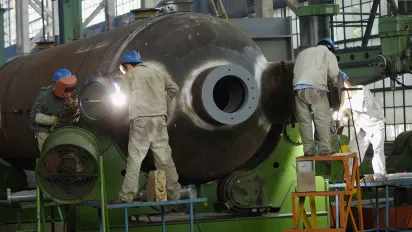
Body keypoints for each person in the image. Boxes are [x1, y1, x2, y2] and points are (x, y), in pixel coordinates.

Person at [114, 50, 181, 203]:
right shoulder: (157, 72)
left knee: (135, 160)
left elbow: (123, 98)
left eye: (124, 68)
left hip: (141, 121)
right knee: (164, 160)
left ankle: (126, 197)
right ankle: (175, 196)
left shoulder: (130, 75)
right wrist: (164, 102)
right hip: (159, 120)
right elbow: (174, 89)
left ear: (128, 65)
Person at [293, 38, 344, 156]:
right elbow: (333, 73)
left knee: (304, 121)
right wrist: (330, 82)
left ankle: (308, 150)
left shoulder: (303, 53)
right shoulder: (328, 53)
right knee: (322, 118)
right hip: (315, 88)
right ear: (330, 47)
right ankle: (325, 149)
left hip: (298, 88)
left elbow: (295, 70)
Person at [338, 78, 386, 182]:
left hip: (375, 125)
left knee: (377, 150)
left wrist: (347, 106)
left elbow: (364, 107)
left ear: (347, 84)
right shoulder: (344, 100)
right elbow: (341, 119)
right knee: (353, 150)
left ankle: (380, 176)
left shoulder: (362, 90)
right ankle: (348, 177)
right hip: (361, 127)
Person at [30, 68, 78, 152]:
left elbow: (74, 113)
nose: (69, 91)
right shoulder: (44, 95)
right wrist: (52, 120)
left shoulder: (69, 93)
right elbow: (33, 116)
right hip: (46, 133)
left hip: (64, 131)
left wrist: (73, 106)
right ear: (58, 84)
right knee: (51, 161)